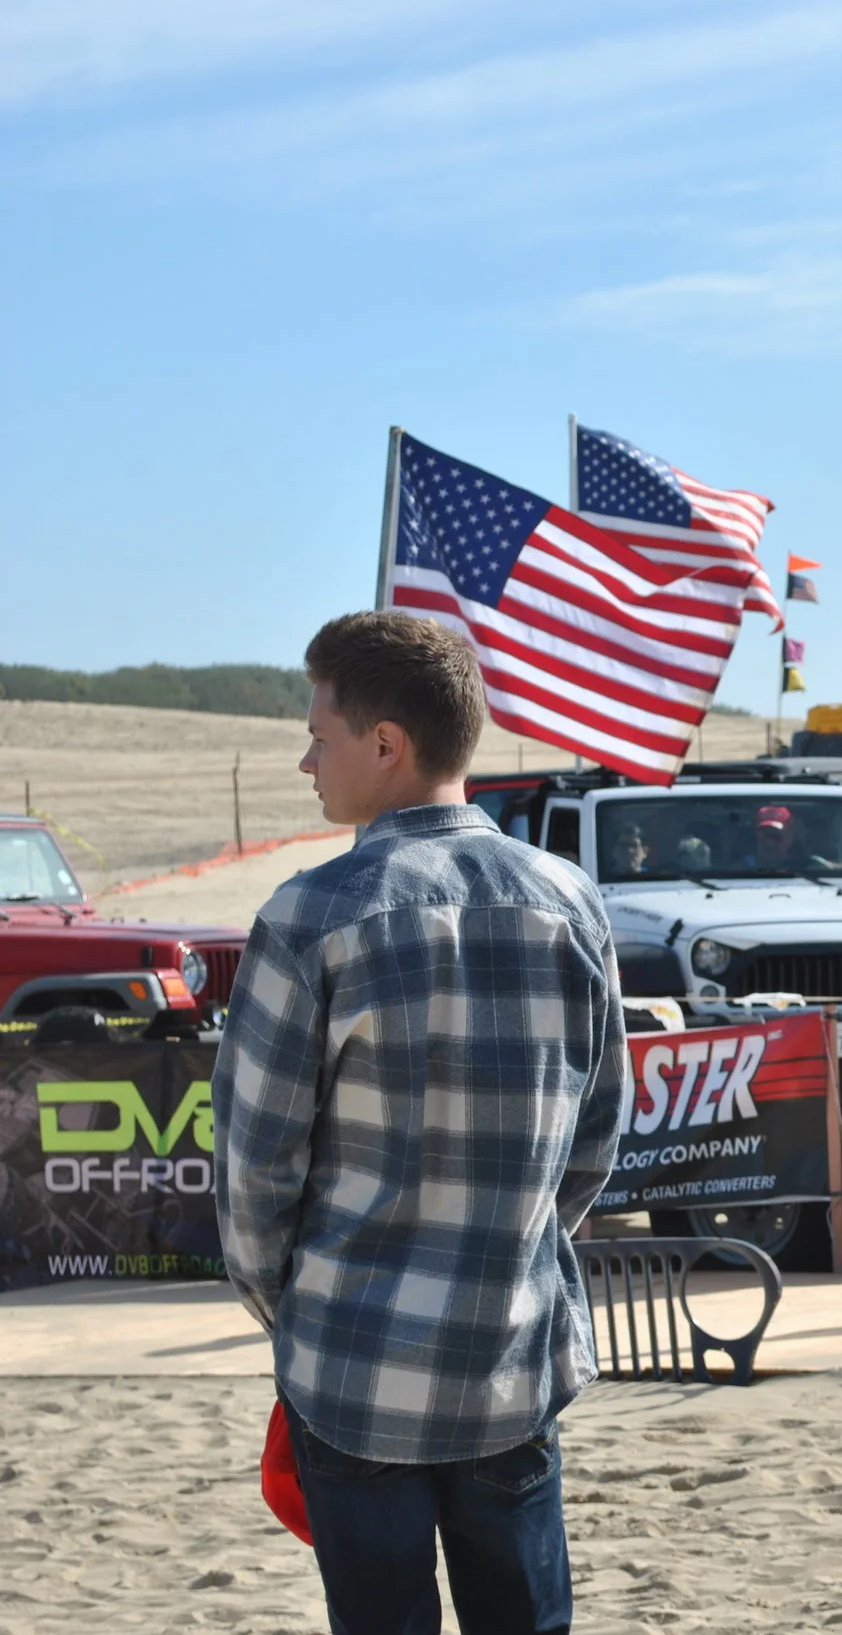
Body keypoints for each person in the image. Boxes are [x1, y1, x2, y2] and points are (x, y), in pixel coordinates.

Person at [213, 611, 628, 1635]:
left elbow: (255, 1169)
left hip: (353, 1364)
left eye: (321, 732)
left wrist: (295, 1312)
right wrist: (512, 1249)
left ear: (386, 744)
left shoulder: (310, 916)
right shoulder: (570, 903)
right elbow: (597, 1136)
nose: (307, 758)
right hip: (513, 1350)